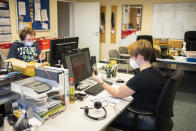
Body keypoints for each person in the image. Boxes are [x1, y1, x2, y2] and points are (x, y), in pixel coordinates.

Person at [92, 40, 164, 130]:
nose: (131, 60)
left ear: (140, 57)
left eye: (132, 57)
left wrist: (101, 82)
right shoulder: (156, 71)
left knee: (107, 114)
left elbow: (117, 93)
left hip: (143, 119)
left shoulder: (141, 78)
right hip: (154, 116)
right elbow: (130, 87)